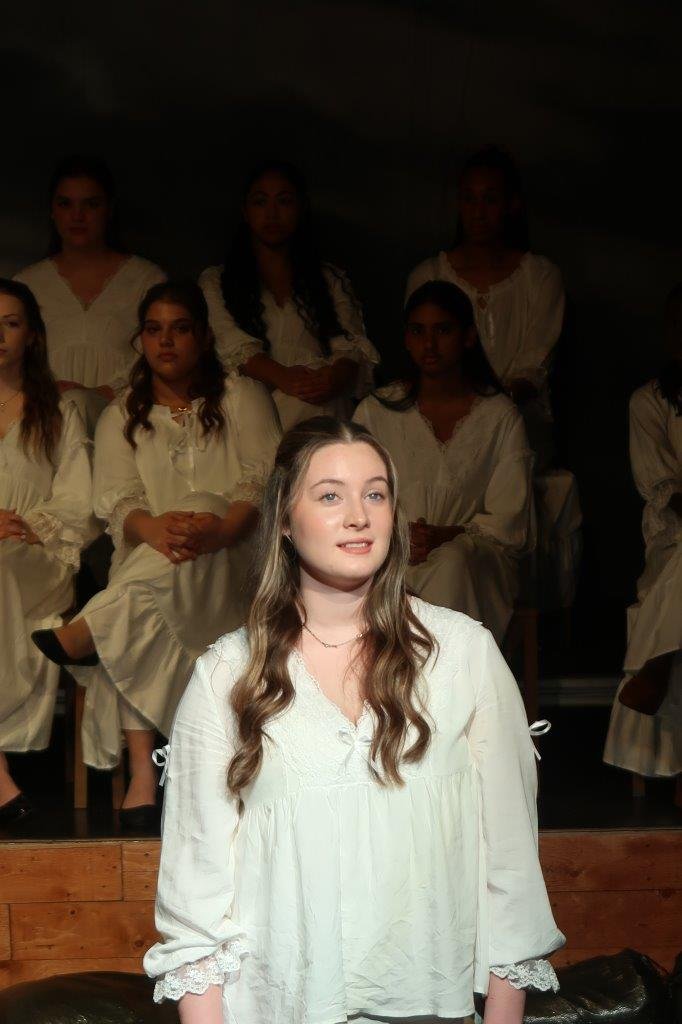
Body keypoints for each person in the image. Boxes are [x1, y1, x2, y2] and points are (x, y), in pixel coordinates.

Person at [143, 416, 564, 1024]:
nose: (359, 515)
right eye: (330, 495)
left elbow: (511, 867)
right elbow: (194, 899)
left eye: (376, 493)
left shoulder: (462, 654)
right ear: (285, 522)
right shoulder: (227, 675)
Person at [33, 281, 280, 825]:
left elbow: (259, 487)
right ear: (140, 339)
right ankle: (146, 773)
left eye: (180, 328)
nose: (166, 341)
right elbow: (120, 504)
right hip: (155, 558)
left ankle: (93, 636)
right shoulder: (121, 411)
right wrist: (163, 530)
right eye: (153, 329)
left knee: (191, 515)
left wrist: (213, 531)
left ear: (204, 336)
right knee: (139, 599)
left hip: (234, 559)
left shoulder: (243, 397)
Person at [354, 281, 534, 644]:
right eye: (418, 331)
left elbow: (508, 520)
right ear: (406, 339)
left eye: (443, 330)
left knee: (452, 562)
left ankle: (445, 686)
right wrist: (400, 537)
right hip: (391, 551)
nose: (429, 344)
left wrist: (446, 535)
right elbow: (354, 497)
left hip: (476, 560)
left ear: (468, 336)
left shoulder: (499, 416)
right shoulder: (376, 412)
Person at [405, 145, 564, 468]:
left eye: (489, 199)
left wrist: (490, 410)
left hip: (519, 434)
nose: (478, 212)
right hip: (443, 431)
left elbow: (533, 363)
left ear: (511, 204)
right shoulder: (429, 275)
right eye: (469, 199)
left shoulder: (540, 277)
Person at [0, 280, 94, 824]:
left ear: (31, 335)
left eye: (10, 322)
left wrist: (28, 526)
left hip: (36, 555)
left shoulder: (59, 410)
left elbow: (79, 500)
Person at [199, 160, 379, 432]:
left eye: (283, 201)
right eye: (261, 202)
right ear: (245, 211)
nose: (272, 214)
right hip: (254, 420)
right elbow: (230, 344)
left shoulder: (330, 280)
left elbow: (351, 345)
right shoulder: (216, 282)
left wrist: (332, 378)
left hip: (323, 417)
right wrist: (284, 377)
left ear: (301, 207)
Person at [14, 155, 166, 435]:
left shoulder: (147, 280)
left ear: (109, 209)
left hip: (130, 421)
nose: (77, 215)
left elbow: (166, 356)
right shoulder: (27, 286)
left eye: (91, 204)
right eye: (65, 204)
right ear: (52, 210)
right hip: (45, 427)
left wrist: (105, 392)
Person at [604, 286, 682, 797]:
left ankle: (659, 663)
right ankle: (664, 657)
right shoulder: (650, 402)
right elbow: (661, 487)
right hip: (674, 537)